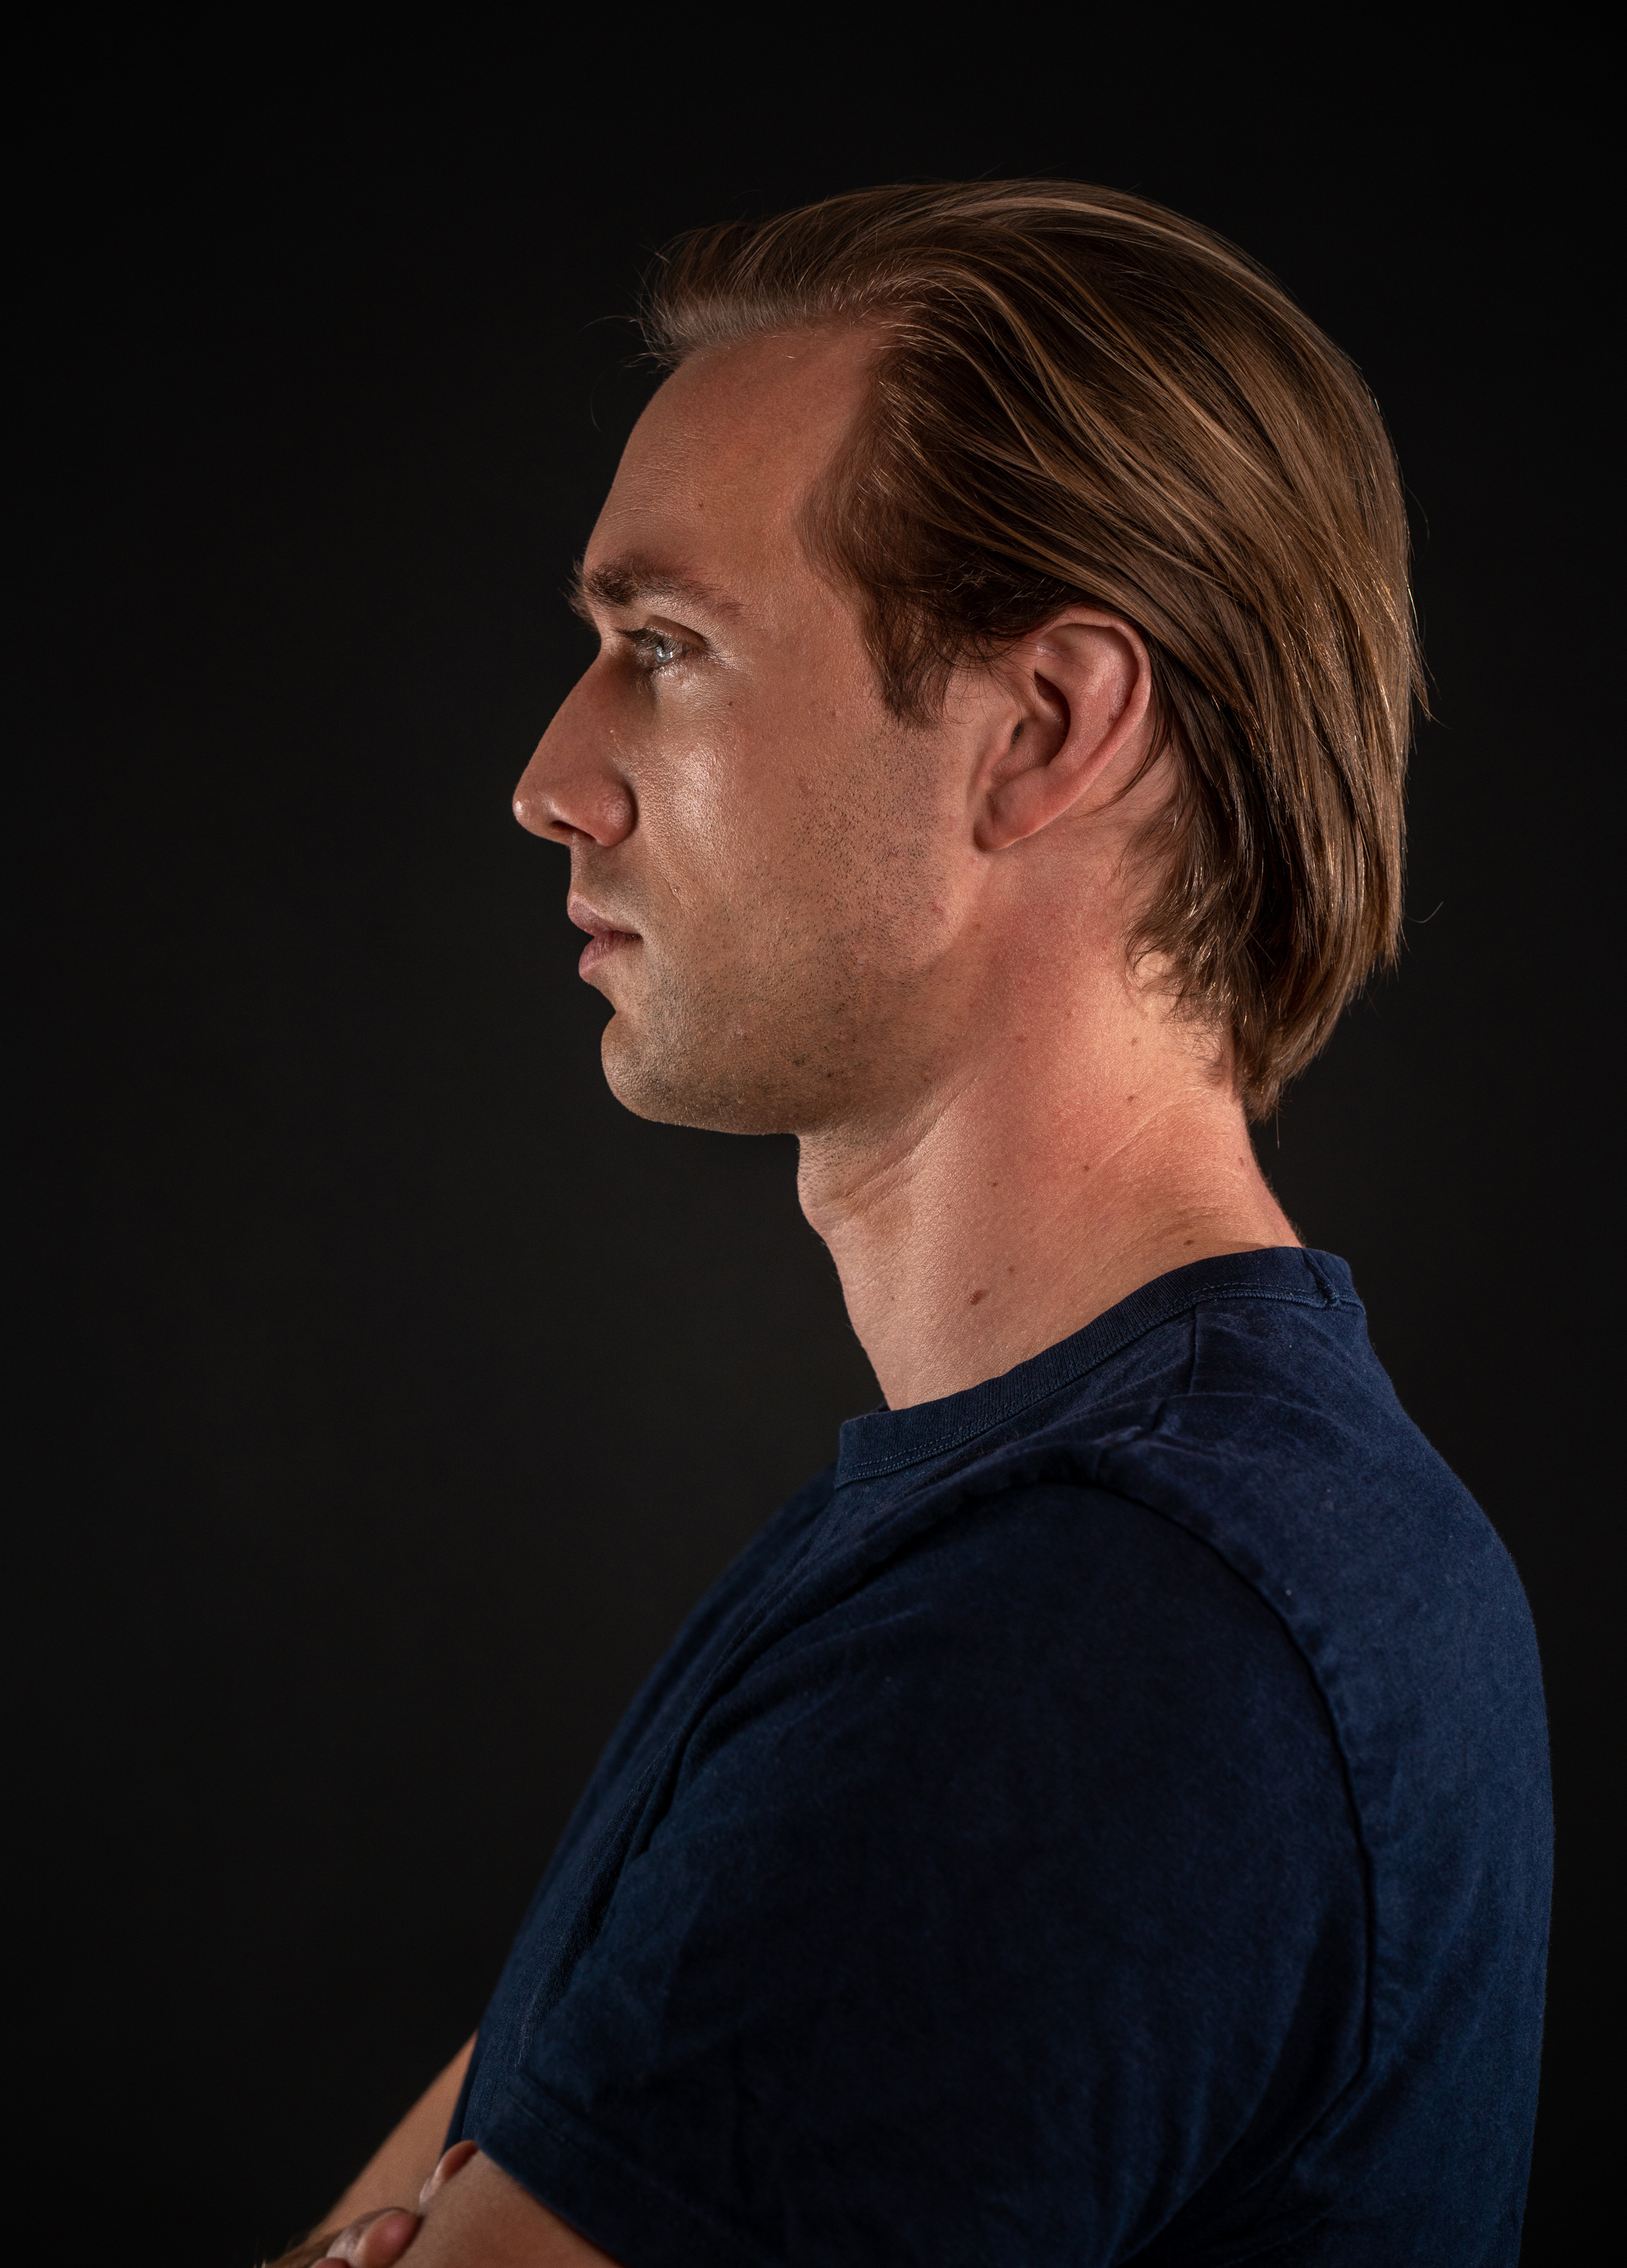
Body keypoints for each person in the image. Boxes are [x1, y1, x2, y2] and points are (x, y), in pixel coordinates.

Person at [269, 184, 1551, 2267]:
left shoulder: (1087, 1648)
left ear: (1043, 729)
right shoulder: (1057, 1537)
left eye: (663, 649)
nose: (551, 776)